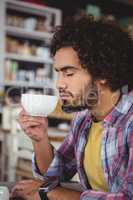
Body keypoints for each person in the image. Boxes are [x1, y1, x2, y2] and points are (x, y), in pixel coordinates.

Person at [11, 15, 133, 199]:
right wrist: (39, 138)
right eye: (59, 74)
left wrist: (52, 194)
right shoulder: (83, 119)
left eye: (69, 73)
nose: (59, 84)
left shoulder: (129, 122)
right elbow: (54, 174)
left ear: (103, 73)